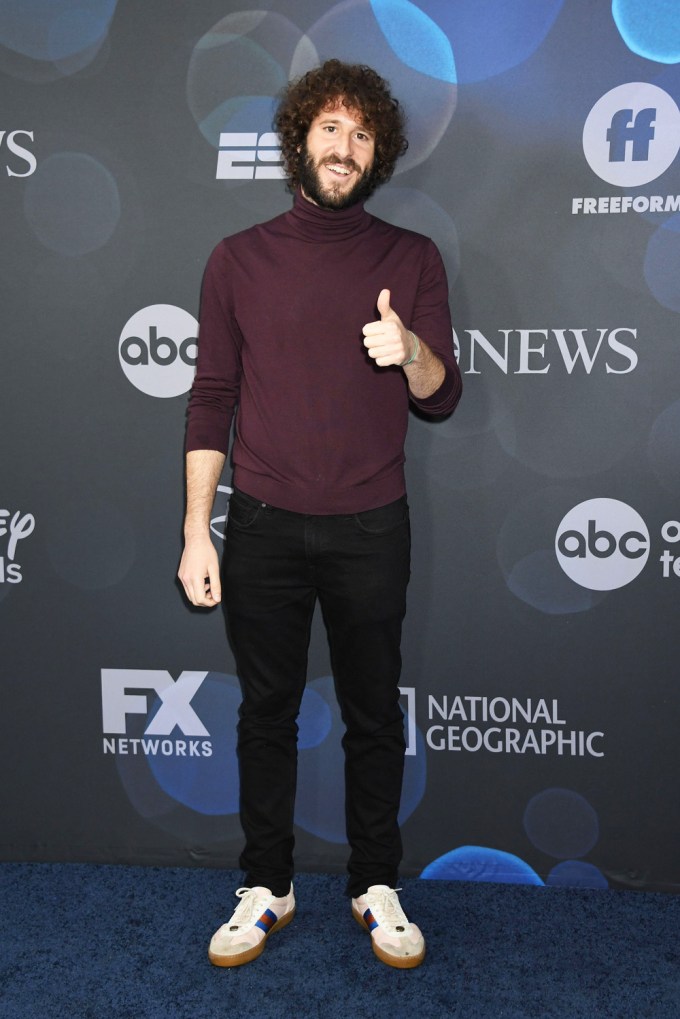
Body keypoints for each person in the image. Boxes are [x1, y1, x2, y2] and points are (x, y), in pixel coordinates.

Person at [178, 58, 462, 970]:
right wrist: (196, 529)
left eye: (363, 133)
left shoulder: (411, 259)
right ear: (301, 138)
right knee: (265, 712)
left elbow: (441, 394)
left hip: (372, 525)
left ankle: (377, 881)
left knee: (375, 713)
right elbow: (210, 394)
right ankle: (267, 884)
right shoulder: (235, 258)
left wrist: (410, 346)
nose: (346, 146)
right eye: (331, 128)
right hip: (259, 524)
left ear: (378, 157)